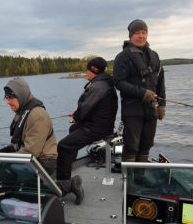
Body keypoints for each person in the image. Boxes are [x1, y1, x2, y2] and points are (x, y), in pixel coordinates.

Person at [56, 57, 118, 204]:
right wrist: (78, 115)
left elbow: (85, 110)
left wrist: (77, 115)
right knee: (73, 129)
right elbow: (90, 107)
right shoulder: (104, 83)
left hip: (97, 128)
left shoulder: (98, 86)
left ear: (93, 71)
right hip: (101, 124)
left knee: (63, 146)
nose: (85, 73)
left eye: (87, 70)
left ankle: (65, 185)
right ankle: (69, 167)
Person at [113, 19, 166, 164]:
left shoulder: (154, 55)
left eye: (144, 32)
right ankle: (129, 182)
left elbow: (160, 82)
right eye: (137, 33)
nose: (141, 36)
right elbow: (118, 82)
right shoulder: (122, 57)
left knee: (146, 145)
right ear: (131, 36)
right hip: (132, 111)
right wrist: (142, 93)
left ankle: (141, 178)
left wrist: (162, 105)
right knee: (131, 146)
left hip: (151, 110)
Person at [0, 77, 57, 176]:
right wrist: (4, 152)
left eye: (10, 98)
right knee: (0, 167)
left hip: (45, 162)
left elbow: (31, 152)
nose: (7, 102)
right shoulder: (21, 112)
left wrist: (5, 159)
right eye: (6, 98)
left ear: (20, 95)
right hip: (33, 158)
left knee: (7, 171)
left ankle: (67, 185)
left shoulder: (37, 115)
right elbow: (20, 143)